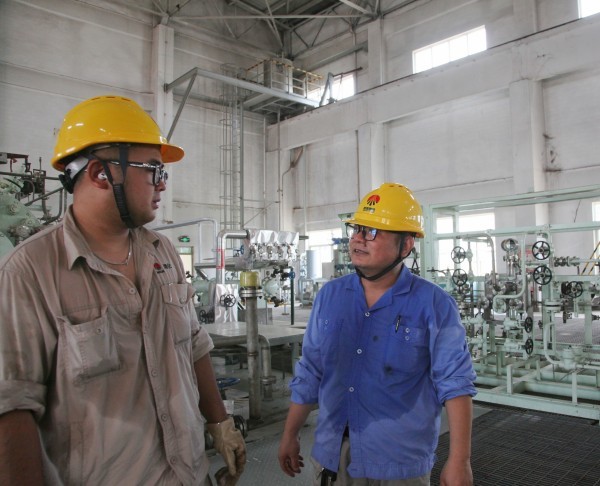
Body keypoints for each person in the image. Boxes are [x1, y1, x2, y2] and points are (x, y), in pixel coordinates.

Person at [0, 95, 246, 485]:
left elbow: (194, 344)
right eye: (154, 170)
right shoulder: (30, 271)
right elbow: (13, 405)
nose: (162, 184)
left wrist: (220, 423)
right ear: (101, 173)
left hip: (188, 474)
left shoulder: (162, 251)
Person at [278, 183, 477, 486]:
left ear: (406, 245)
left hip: (399, 463)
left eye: (372, 232)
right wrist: (290, 434)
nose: (358, 239)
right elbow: (311, 371)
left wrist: (460, 460)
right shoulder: (330, 296)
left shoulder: (434, 305)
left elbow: (455, 383)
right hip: (333, 456)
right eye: (357, 229)